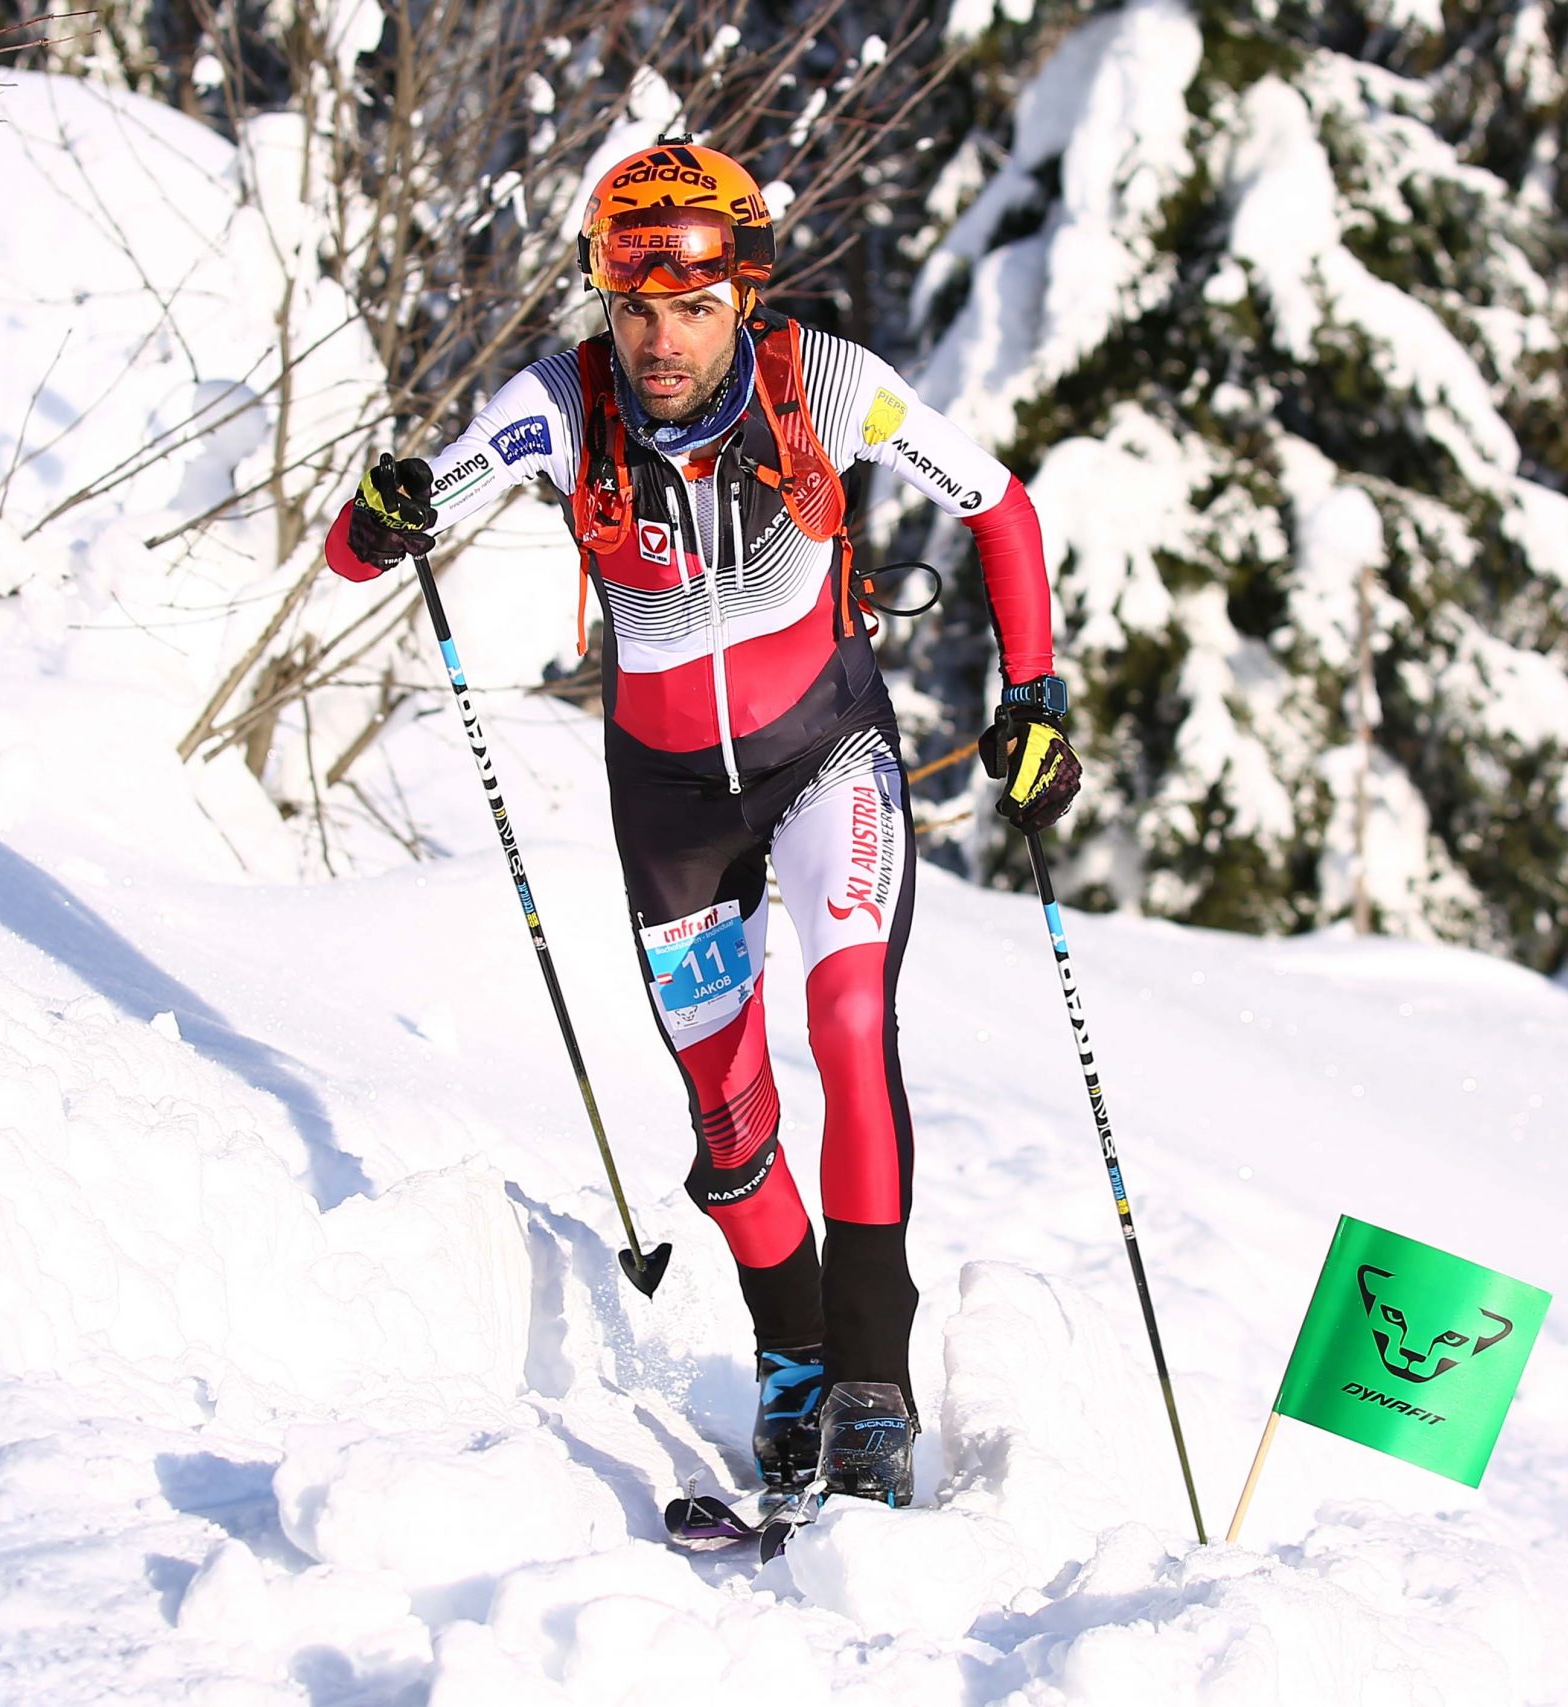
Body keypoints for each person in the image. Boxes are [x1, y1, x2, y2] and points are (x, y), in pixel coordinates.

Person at [323, 139, 1082, 1505]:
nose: (657, 340)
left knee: (851, 1024)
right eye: (632, 308)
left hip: (827, 759)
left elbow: (1005, 508)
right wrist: (379, 520)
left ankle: (870, 1379)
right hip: (670, 807)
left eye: (688, 306)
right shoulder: (562, 406)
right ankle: (791, 1359)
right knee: (730, 1126)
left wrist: (1032, 696)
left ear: (743, 290)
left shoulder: (829, 384)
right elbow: (381, 531)